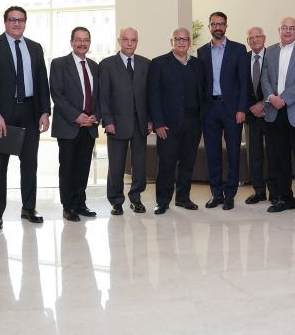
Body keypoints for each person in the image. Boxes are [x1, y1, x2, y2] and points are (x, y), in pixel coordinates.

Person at [0, 6, 51, 230]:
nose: (16, 23)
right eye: (12, 20)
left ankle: (29, 207)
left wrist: (45, 111)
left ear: (25, 22)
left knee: (30, 164)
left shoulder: (35, 48)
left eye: (20, 20)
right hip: (2, 116)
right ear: (5, 22)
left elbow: (42, 81)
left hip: (30, 112)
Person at [261, 17, 295, 217]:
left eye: (291, 28)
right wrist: (271, 97)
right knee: (280, 158)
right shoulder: (270, 51)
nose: (287, 31)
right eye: (284, 28)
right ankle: (285, 198)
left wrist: (283, 99)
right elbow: (264, 77)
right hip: (275, 112)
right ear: (279, 30)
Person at [147, 27, 206, 215]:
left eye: (185, 39)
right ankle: (162, 201)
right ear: (171, 41)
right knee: (166, 164)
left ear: (189, 42)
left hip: (193, 123)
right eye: (177, 39)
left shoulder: (198, 64)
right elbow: (153, 96)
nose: (181, 42)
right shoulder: (159, 63)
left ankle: (183, 198)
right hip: (168, 125)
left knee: (187, 163)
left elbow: (203, 93)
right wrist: (157, 123)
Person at [197, 11, 248, 210]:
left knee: (233, 152)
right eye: (214, 24)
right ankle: (216, 194)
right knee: (212, 153)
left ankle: (230, 195)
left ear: (226, 26)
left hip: (232, 110)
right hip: (210, 110)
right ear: (209, 26)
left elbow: (244, 82)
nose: (218, 27)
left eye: (221, 24)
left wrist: (242, 108)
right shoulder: (202, 51)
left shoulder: (238, 49)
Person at [50, 27, 102, 222]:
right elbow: (57, 94)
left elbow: (100, 95)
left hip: (89, 126)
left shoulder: (95, 66)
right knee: (68, 168)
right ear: (71, 42)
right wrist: (76, 116)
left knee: (83, 167)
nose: (82, 43)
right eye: (78, 40)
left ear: (89, 42)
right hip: (68, 126)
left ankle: (80, 203)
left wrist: (96, 116)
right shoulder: (59, 64)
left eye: (86, 40)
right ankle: (68, 206)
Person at [98, 28, 152, 215]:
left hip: (140, 123)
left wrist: (150, 120)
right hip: (116, 123)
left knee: (139, 164)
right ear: (119, 40)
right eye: (126, 39)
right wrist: (107, 121)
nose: (129, 43)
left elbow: (150, 95)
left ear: (137, 42)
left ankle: (136, 198)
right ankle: (116, 201)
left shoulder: (146, 64)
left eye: (133, 40)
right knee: (116, 165)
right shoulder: (106, 65)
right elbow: (103, 96)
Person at [243, 26, 277, 204]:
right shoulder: (243, 59)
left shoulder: (274, 56)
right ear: (248, 41)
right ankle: (259, 191)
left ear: (264, 38)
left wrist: (264, 104)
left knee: (273, 154)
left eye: (258, 36)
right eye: (251, 37)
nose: (255, 40)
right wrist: (251, 108)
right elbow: (239, 87)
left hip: (271, 113)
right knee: (253, 155)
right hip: (251, 115)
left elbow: (278, 84)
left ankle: (274, 192)